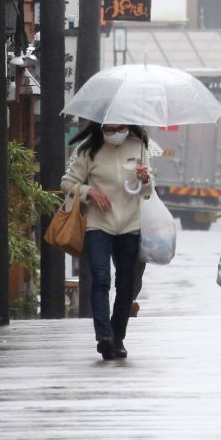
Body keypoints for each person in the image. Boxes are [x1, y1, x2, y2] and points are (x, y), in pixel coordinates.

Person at [61, 122, 153, 360]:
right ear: (101, 124)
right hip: (97, 224)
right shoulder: (88, 149)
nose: (115, 132)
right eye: (110, 128)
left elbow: (149, 191)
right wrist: (89, 191)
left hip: (131, 225)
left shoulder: (139, 146)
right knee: (100, 278)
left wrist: (145, 179)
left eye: (120, 127)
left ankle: (118, 336)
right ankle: (104, 337)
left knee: (126, 284)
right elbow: (67, 183)